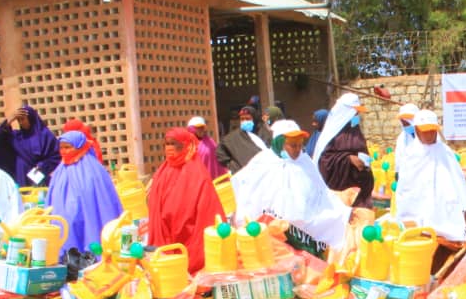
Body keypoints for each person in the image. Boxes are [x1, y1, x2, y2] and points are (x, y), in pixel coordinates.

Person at [232, 119, 352, 254]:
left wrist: (341, 211)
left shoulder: (305, 161)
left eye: (300, 145)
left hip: (303, 228)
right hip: (273, 229)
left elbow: (321, 191)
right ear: (280, 144)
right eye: (293, 145)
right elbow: (246, 188)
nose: (297, 150)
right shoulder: (264, 162)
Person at [394, 110, 466, 273]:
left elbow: (459, 187)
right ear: (418, 130)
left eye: (432, 131)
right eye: (424, 131)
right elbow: (406, 193)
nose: (428, 135)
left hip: (448, 214)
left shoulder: (446, 153)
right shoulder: (411, 156)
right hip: (420, 220)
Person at [147, 128, 225, 274]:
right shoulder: (163, 171)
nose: (170, 148)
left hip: (189, 236)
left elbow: (207, 210)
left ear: (186, 146)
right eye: (167, 144)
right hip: (166, 235)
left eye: (175, 144)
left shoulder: (197, 173)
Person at [45, 130, 123, 259]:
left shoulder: (93, 170)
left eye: (68, 147)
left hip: (88, 217)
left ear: (79, 146)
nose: (64, 151)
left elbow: (102, 200)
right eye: (62, 148)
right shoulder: (60, 170)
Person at [312, 93, 374, 207]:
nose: (357, 116)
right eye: (355, 113)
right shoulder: (331, 135)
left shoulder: (355, 130)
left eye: (358, 113)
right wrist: (348, 159)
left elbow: (362, 150)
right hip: (339, 193)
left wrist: (366, 161)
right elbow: (324, 161)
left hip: (359, 192)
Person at [0, 104, 60, 187]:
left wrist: (43, 166)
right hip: (21, 176)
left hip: (40, 176)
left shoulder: (45, 136)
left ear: (31, 118)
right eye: (18, 120)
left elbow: (56, 155)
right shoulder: (17, 137)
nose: (21, 122)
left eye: (23, 119)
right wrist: (9, 121)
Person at [215, 106, 271, 174]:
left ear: (255, 119)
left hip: (263, 174)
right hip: (242, 176)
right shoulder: (233, 137)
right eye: (242, 119)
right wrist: (232, 165)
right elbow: (220, 152)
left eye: (247, 119)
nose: (244, 121)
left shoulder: (264, 134)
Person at [393, 103, 420, 179]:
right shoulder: (402, 138)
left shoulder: (427, 137)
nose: (405, 125)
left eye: (407, 123)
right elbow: (399, 156)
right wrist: (397, 171)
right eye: (403, 123)